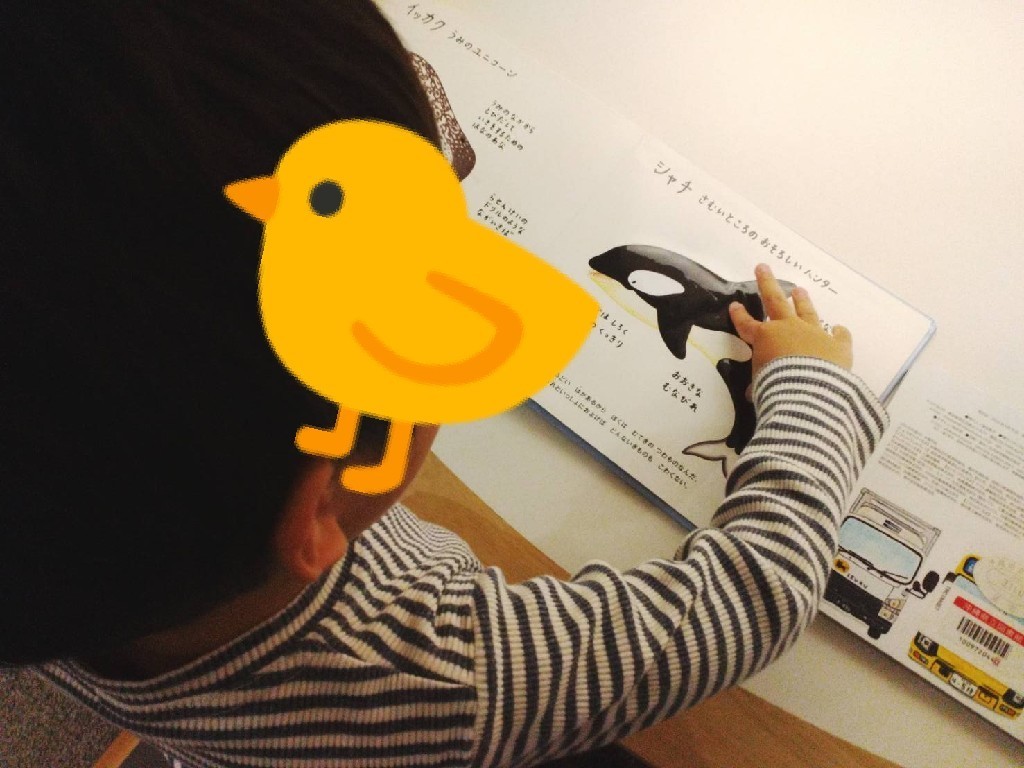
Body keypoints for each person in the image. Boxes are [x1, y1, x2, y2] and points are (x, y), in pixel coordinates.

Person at [0, 2, 887, 767]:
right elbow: (749, 598)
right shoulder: (447, 674)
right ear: (331, 486)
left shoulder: (56, 551)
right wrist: (811, 387)